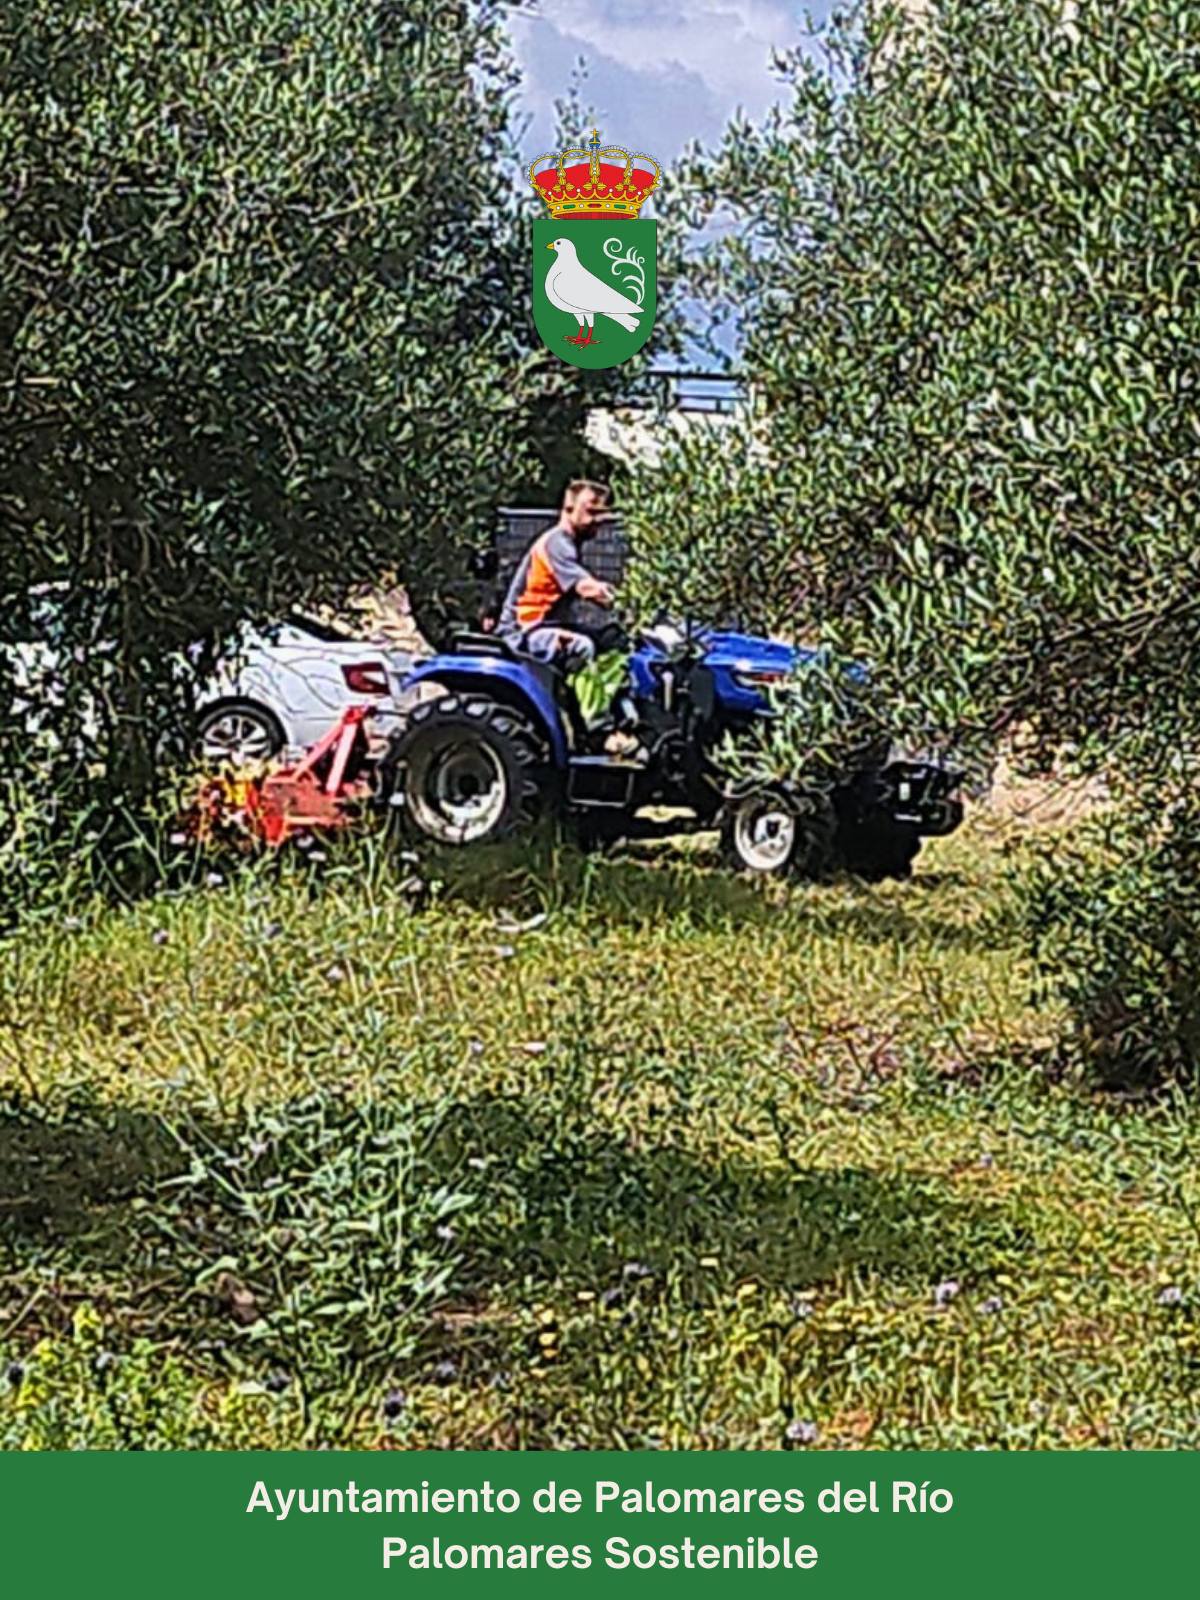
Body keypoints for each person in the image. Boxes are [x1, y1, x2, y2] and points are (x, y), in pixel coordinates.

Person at [497, 479, 616, 671]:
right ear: (569, 508)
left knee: (611, 639)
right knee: (581, 647)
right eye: (591, 512)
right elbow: (587, 588)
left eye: (602, 513)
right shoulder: (557, 544)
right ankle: (583, 701)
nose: (597, 520)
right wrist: (630, 603)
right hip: (524, 632)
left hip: (544, 627)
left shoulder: (566, 544)